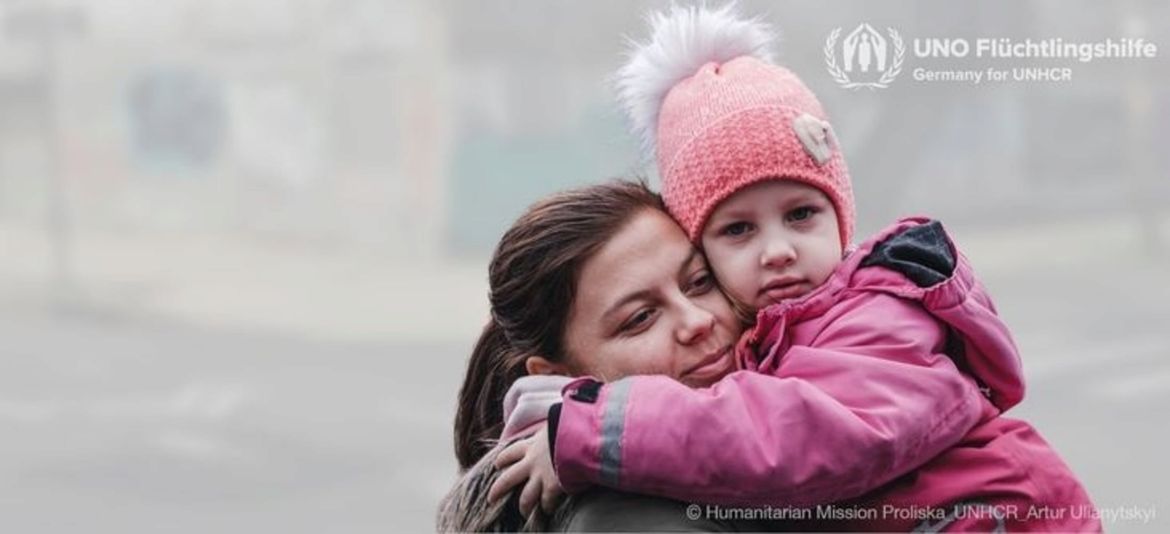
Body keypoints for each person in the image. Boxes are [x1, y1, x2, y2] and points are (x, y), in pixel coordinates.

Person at [491, 5, 1100, 531]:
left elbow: (788, 437)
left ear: (842, 217)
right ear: (556, 370)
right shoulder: (624, 511)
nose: (777, 249)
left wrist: (591, 431)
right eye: (737, 231)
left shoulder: (880, 313)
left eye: (802, 214)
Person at [436, 180, 769, 531]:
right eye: (640, 318)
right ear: (558, 376)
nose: (697, 320)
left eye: (700, 282)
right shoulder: (626, 516)